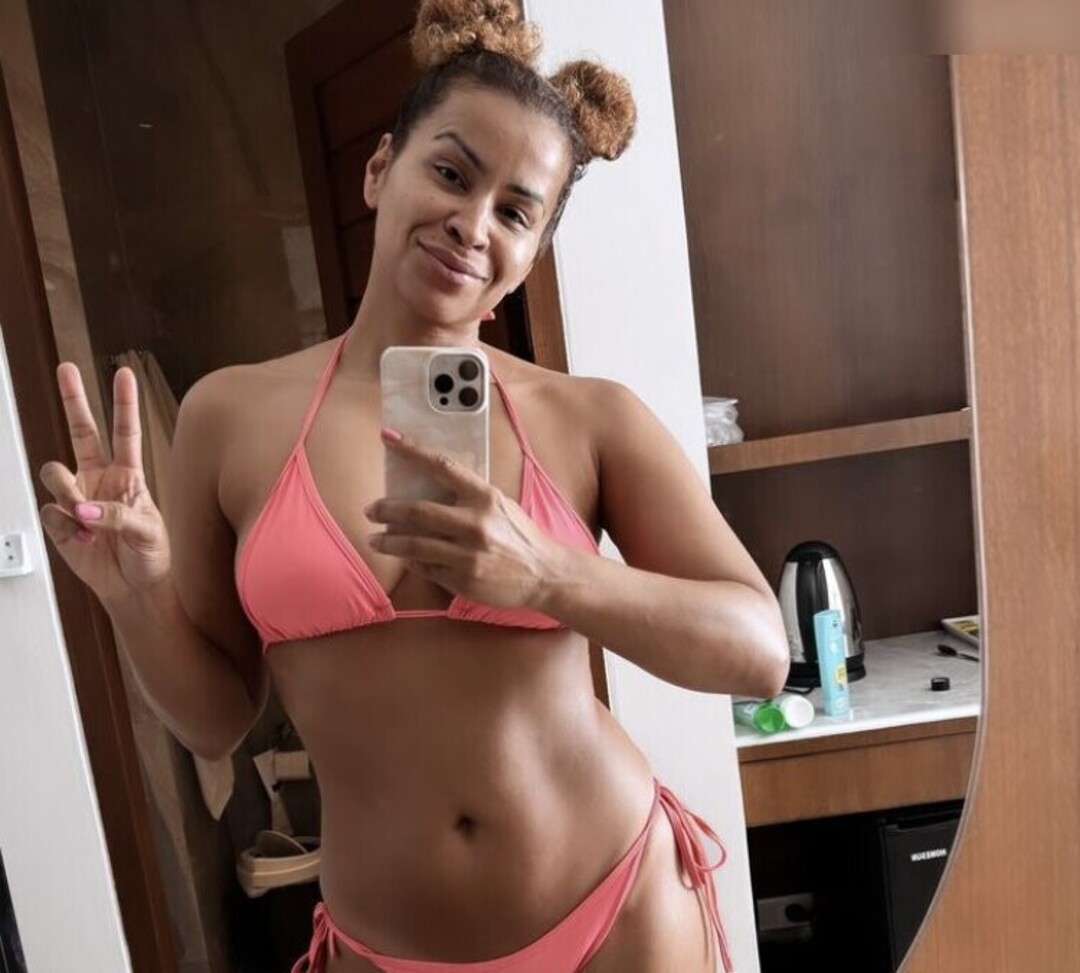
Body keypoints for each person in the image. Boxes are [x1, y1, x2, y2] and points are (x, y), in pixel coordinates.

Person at [38, 1, 788, 970]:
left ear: (530, 254)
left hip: (617, 909)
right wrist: (136, 598)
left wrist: (550, 573)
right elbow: (216, 721)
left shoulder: (590, 418)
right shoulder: (231, 417)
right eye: (452, 173)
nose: (472, 225)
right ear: (380, 168)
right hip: (385, 945)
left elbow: (759, 652)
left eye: (515, 212)